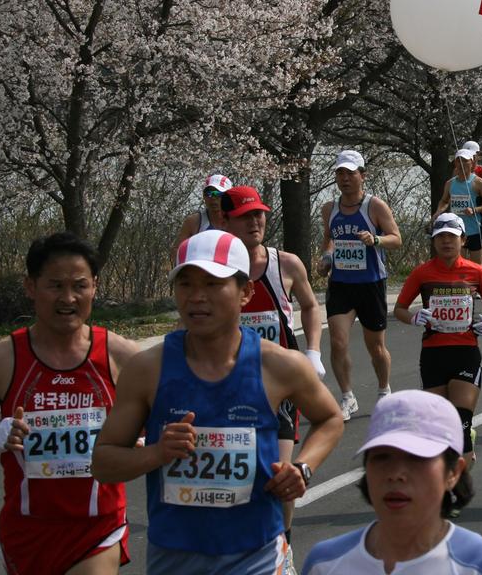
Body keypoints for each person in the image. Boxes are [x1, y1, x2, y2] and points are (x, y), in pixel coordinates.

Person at [92, 230, 344, 575]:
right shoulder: (147, 368)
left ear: (246, 292)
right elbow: (103, 463)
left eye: (212, 284)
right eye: (186, 284)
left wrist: (302, 467)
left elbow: (330, 418)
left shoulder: (279, 364)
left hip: (257, 553)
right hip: (174, 557)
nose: (197, 297)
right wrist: (157, 453)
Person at [0, 232, 139, 575]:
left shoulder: (122, 355)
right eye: (55, 285)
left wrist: (140, 438)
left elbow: (166, 415)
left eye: (80, 286)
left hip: (99, 526)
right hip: (28, 532)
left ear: (94, 287)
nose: (68, 298)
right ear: (30, 287)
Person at [301, 390, 482, 574]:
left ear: (453, 472)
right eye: (382, 457)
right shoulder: (325, 563)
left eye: (416, 458)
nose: (395, 474)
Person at [222, 184, 328, 540]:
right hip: (229, 386)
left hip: (278, 386)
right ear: (225, 221)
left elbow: (310, 306)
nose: (255, 222)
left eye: (259, 215)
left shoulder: (286, 263)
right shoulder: (216, 271)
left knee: (279, 475)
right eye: (245, 216)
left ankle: (284, 545)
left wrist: (312, 351)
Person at [392, 214, 482, 472]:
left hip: (466, 352)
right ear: (434, 241)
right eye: (440, 237)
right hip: (433, 354)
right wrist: (413, 317)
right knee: (439, 426)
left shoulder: (476, 271)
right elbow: (399, 309)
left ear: (463, 240)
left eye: (452, 236)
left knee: (461, 420)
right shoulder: (422, 273)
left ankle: (456, 486)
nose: (446, 241)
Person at [318, 149, 402, 421]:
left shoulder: (374, 206)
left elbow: (396, 238)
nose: (345, 179)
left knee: (375, 346)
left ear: (362, 176)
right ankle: (347, 397)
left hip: (370, 283)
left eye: (350, 173)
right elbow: (329, 238)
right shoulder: (329, 209)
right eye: (340, 173)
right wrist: (326, 257)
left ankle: (384, 389)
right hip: (341, 284)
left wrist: (375, 240)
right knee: (337, 341)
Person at [436, 147, 482, 268]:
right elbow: (444, 201)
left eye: (465, 161)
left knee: (476, 267)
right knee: (457, 265)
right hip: (457, 230)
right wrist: (438, 212)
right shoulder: (450, 183)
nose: (462, 164)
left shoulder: (478, 182)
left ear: (471, 163)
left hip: (475, 230)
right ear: (455, 163)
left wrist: (474, 210)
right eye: (459, 161)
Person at [172, 174, 232, 256]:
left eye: (218, 194)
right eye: (209, 194)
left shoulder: (237, 221)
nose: (213, 198)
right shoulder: (193, 222)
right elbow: (177, 251)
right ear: (203, 196)